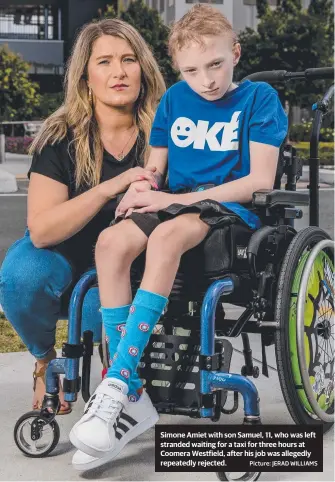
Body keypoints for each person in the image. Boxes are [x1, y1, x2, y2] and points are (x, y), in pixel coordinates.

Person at [69, 3, 288, 470]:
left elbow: (259, 180)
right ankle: (131, 394)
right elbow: (156, 166)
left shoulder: (258, 98)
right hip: (174, 201)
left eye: (215, 65)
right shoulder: (173, 102)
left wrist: (170, 201)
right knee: (110, 243)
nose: (206, 79)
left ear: (235, 52)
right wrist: (142, 185)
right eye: (191, 70)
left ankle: (116, 384)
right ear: (177, 69)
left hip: (227, 212)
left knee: (166, 237)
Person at [0, 18, 165, 415]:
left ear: (143, 69)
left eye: (128, 59)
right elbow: (42, 231)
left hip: (123, 264)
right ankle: (43, 360)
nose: (119, 72)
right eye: (104, 61)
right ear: (86, 75)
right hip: (59, 254)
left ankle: (115, 377)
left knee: (96, 311)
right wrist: (112, 186)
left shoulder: (163, 135)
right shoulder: (61, 137)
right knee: (21, 277)